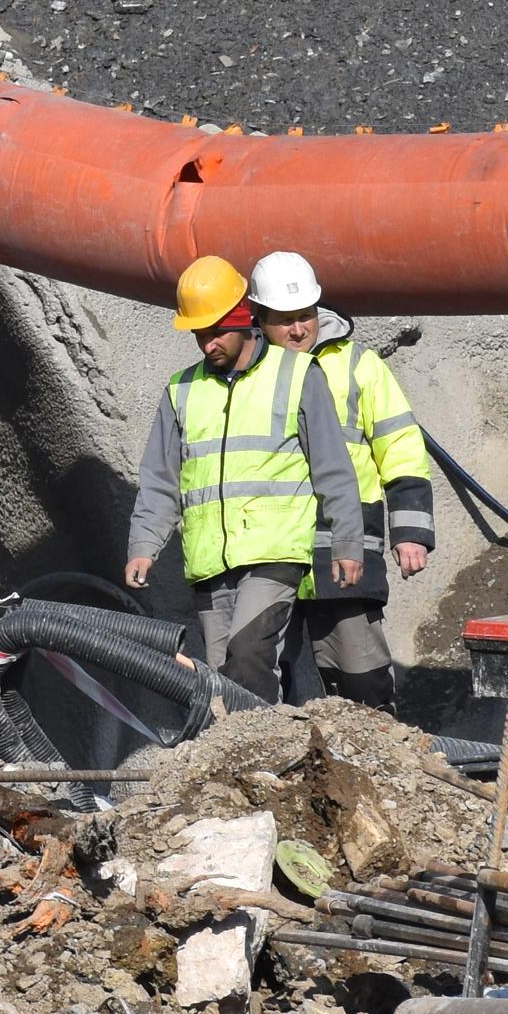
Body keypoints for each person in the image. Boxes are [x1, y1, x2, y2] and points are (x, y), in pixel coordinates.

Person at [123, 254, 364, 702]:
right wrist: (143, 546)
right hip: (211, 561)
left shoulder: (296, 375)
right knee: (222, 682)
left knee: (249, 656)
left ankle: (260, 765)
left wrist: (347, 542)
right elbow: (161, 479)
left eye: (216, 332)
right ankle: (250, 766)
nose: (207, 344)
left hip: (275, 553)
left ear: (241, 320)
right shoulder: (181, 390)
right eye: (199, 334)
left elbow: (334, 468)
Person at [253, 250, 434, 713]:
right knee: (270, 690)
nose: (298, 330)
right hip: (271, 549)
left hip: (346, 545)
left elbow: (400, 446)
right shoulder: (247, 376)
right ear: (260, 319)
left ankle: (378, 772)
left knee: (363, 680)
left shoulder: (359, 364)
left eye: (305, 316)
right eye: (284, 320)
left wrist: (411, 532)